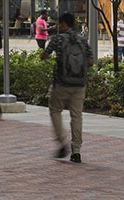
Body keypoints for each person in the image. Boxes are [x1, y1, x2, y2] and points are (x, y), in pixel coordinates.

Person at [40, 12, 94, 163]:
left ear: (64, 24)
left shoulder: (57, 39)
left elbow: (44, 55)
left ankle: (61, 142)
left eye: (59, 24)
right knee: (76, 116)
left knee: (55, 110)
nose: (58, 26)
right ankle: (76, 151)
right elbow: (90, 62)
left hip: (61, 83)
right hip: (79, 84)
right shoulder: (82, 40)